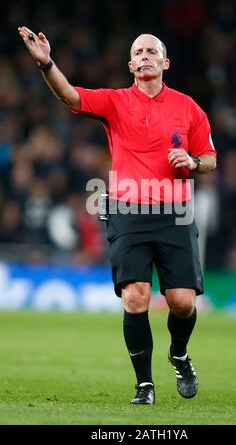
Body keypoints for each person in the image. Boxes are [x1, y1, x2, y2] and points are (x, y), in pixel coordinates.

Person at [18, 27, 217, 405]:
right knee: (135, 297)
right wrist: (46, 63)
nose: (144, 56)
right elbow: (70, 94)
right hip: (126, 210)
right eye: (137, 52)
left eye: (151, 51)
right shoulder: (114, 102)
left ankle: (179, 353)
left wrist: (192, 161)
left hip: (174, 212)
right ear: (130, 65)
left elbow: (209, 159)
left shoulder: (189, 108)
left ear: (164, 63)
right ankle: (144, 385)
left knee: (182, 303)